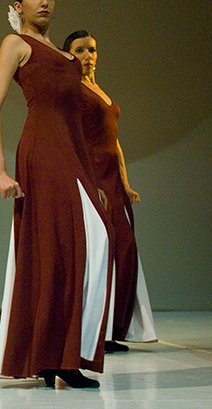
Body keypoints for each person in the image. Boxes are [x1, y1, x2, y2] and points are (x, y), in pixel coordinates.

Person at [0, 0, 112, 389]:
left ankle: (62, 354)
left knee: (90, 245)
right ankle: (55, 357)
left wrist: (91, 180)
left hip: (72, 156)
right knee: (56, 250)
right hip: (41, 152)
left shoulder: (70, 59)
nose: (44, 2)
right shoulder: (16, 44)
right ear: (18, 6)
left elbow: (77, 125)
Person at [63, 31, 157, 351]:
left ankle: (113, 328)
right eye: (80, 50)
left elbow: (113, 142)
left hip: (112, 178)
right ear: (69, 55)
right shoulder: (72, 91)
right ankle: (94, 333)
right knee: (100, 251)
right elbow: (72, 138)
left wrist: (126, 183)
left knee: (124, 249)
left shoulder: (99, 89)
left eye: (91, 49)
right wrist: (88, 182)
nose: (87, 55)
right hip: (93, 175)